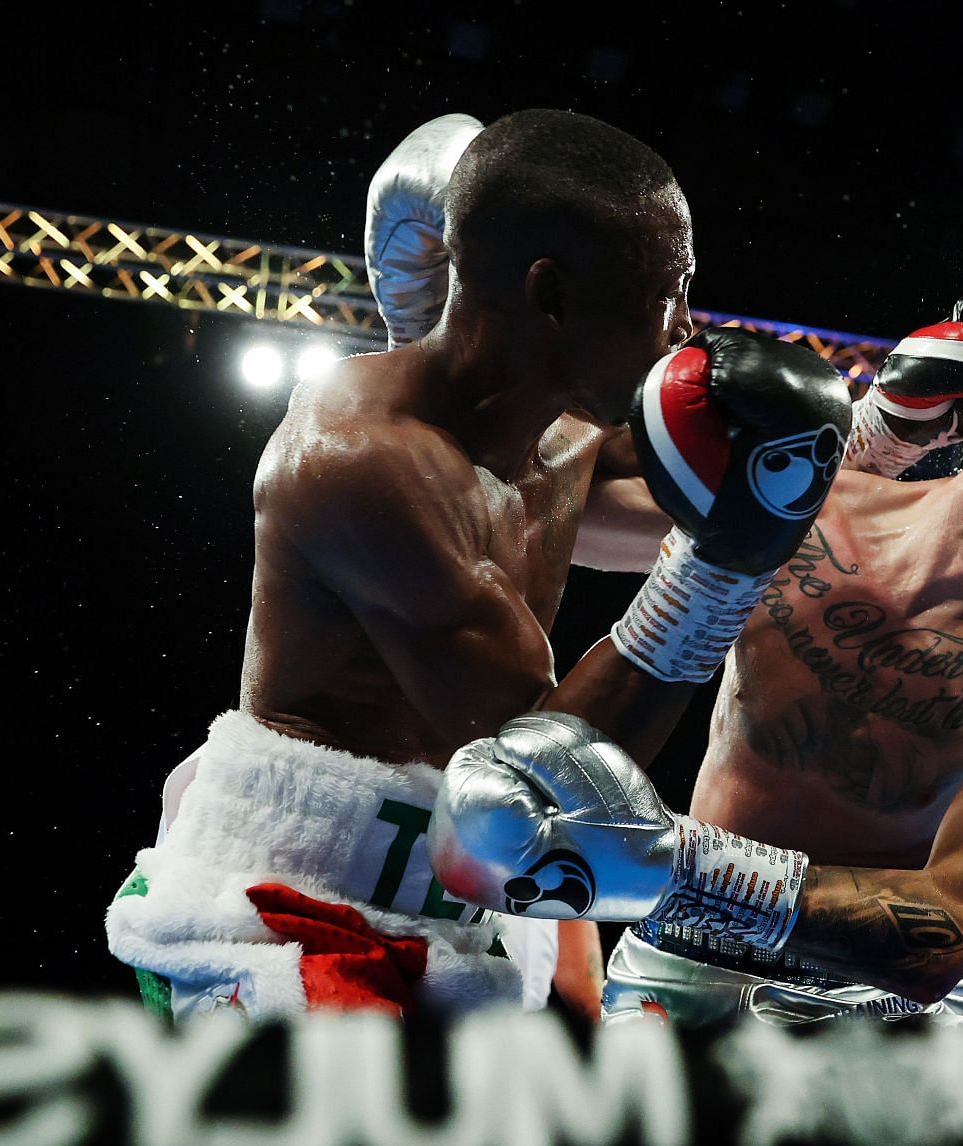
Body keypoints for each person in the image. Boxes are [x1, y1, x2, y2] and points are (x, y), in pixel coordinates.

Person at [105, 108, 850, 1023]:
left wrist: (882, 433)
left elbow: (770, 500)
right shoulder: (361, 462)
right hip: (287, 910)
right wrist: (722, 564)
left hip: (457, 918)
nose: (684, 329)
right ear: (551, 297)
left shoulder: (565, 432)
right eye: (669, 292)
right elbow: (546, 777)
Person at [432, 298, 963, 1025]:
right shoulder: (806, 507)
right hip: (676, 972)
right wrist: (869, 435)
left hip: (885, 1003)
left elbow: (953, 929)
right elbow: (532, 505)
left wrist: (665, 858)